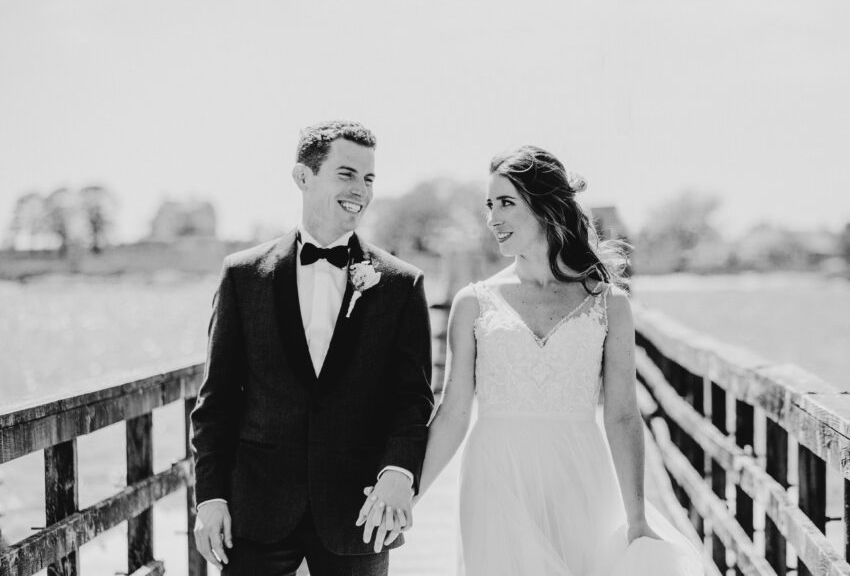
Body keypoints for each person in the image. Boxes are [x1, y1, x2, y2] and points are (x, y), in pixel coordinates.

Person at [415, 145, 704, 576]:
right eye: (490, 205)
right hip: (496, 477)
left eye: (507, 203)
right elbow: (454, 412)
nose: (493, 217)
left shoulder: (609, 304)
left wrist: (637, 516)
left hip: (579, 477)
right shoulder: (473, 303)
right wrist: (411, 495)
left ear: (546, 207)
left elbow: (623, 415)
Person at [189, 121, 435, 575]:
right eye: (346, 174)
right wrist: (211, 497)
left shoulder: (402, 284)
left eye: (369, 178)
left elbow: (412, 400)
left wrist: (399, 473)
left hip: (358, 517)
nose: (360, 190)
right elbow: (217, 402)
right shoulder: (242, 276)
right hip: (255, 515)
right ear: (303, 177)